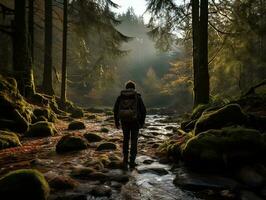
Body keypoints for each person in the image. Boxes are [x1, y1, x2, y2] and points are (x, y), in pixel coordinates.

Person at [113, 80, 146, 169]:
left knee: (126, 139)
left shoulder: (121, 97)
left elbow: (115, 109)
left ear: (126, 88)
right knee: (134, 140)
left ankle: (125, 160)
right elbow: (143, 110)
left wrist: (116, 121)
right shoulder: (137, 97)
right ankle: (132, 161)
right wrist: (142, 122)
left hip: (124, 121)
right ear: (134, 88)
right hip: (135, 121)